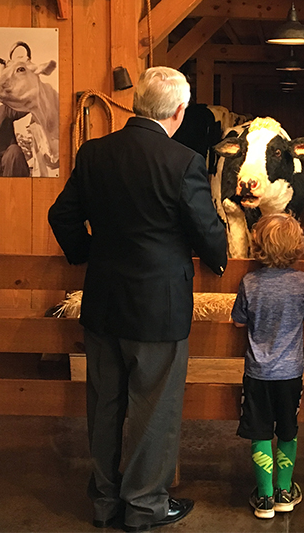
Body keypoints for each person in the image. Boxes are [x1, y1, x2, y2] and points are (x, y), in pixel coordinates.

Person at [48, 67, 228, 531]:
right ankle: (145, 505)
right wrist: (218, 258)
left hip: (104, 301)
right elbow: (206, 230)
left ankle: (106, 502)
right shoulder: (183, 161)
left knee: (106, 404)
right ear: (179, 111)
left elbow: (61, 215)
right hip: (159, 308)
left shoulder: (95, 154)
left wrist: (89, 254)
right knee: (154, 408)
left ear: (136, 105)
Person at [231, 213, 304, 520]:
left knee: (259, 431)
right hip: (291, 372)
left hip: (257, 371)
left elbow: (238, 319)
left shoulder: (249, 282)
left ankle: (265, 497)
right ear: (297, 246)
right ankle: (284, 489)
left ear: (258, 246)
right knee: (287, 429)